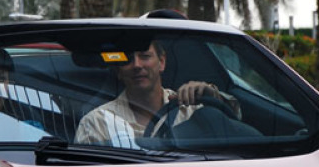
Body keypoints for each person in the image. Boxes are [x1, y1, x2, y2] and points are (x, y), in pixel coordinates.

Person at [74, 41, 237, 147]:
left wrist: (211, 96)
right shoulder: (96, 123)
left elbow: (236, 124)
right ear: (118, 71)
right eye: (128, 60)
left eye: (145, 56)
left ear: (162, 62)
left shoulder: (190, 108)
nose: (137, 65)